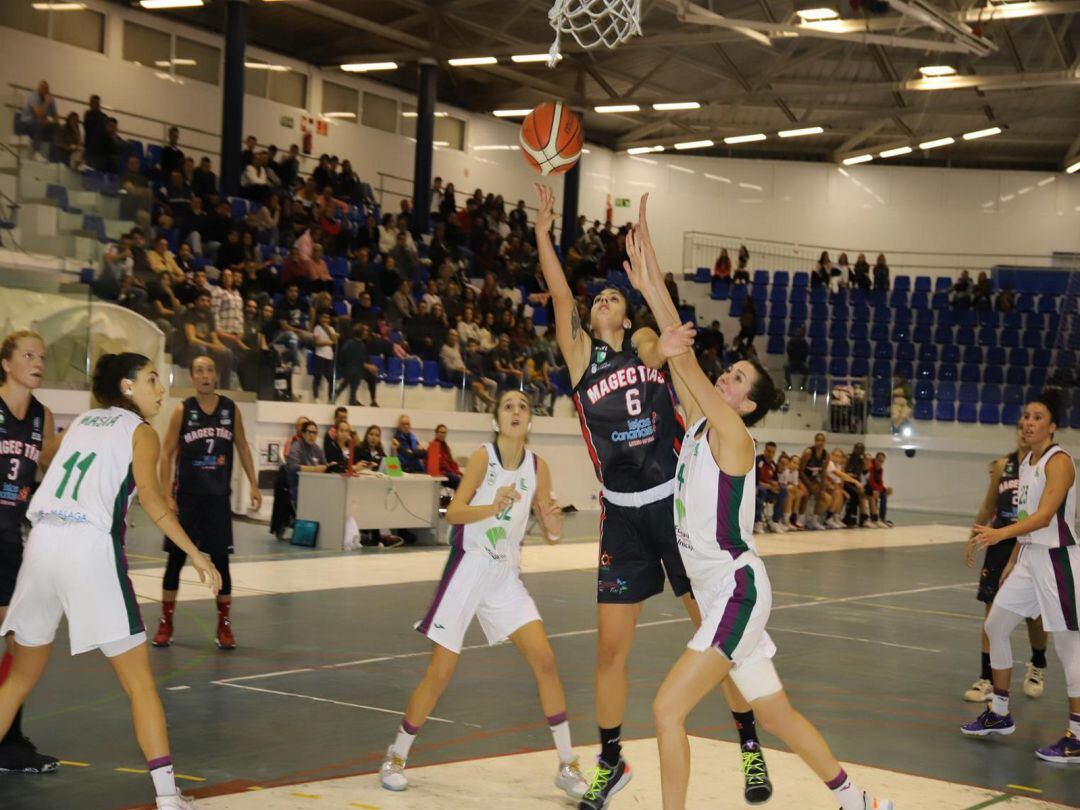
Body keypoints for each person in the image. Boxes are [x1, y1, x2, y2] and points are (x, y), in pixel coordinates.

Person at [623, 216, 893, 810]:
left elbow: (684, 361)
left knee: (667, 709)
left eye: (738, 377)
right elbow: (681, 354)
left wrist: (662, 315)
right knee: (776, 714)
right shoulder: (701, 423)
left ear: (745, 404)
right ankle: (861, 802)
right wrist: (650, 283)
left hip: (735, 590)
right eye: (730, 368)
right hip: (726, 593)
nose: (726, 373)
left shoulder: (734, 438)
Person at [533, 186, 772, 809]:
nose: (604, 298)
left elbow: (654, 345)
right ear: (589, 320)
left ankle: (749, 745)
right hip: (620, 516)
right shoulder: (581, 356)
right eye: (599, 298)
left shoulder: (640, 340)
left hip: (673, 507)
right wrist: (541, 231)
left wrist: (664, 346)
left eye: (614, 294)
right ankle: (611, 760)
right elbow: (560, 294)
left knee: (712, 632)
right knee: (611, 650)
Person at [0, 353, 221, 810]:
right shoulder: (141, 432)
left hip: (40, 543)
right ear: (126, 387)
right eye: (153, 380)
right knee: (139, 683)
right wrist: (196, 552)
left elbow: (55, 469)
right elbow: (157, 504)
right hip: (86, 549)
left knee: (19, 678)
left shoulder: (82, 421)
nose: (161, 389)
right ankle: (167, 798)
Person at [379, 390, 587, 800]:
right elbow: (453, 513)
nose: (516, 411)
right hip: (468, 566)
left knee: (545, 661)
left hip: (505, 575)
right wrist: (492, 506)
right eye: (508, 405)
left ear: (530, 421)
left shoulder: (538, 468)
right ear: (496, 419)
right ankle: (396, 755)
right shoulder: (483, 458)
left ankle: (567, 765)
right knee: (440, 672)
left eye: (523, 407)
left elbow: (550, 532)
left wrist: (552, 522)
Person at [965, 389, 1080, 763]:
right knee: (996, 625)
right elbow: (1025, 519)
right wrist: (1015, 556)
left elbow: (1045, 517)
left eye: (1037, 417)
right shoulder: (1027, 462)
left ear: (1052, 425)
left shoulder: (1059, 461)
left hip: (1057, 560)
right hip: (1030, 557)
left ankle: (1077, 736)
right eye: (1025, 416)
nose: (1027, 422)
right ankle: (999, 713)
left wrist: (999, 535)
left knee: (1069, 648)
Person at [151, 356, 261, 651]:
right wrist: (166, 494)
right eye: (199, 370)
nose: (205, 375)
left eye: (210, 370)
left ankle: (224, 625)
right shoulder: (182, 411)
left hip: (217, 500)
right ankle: (166, 622)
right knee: (175, 561)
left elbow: (242, 446)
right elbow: (166, 453)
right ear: (192, 377)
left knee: (222, 564)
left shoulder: (230, 409)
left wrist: (253, 483)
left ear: (216, 375)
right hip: (186, 500)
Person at [0, 333, 59, 773]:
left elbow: (52, 470)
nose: (37, 362)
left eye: (41, 356)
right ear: (6, 363)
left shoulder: (43, 416)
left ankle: (10, 739)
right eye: (28, 355)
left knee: (19, 641)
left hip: (12, 540)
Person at [962, 424, 1049, 704]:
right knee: (991, 613)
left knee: (1034, 616)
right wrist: (973, 535)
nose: (1026, 430)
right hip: (1000, 543)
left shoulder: (1047, 466)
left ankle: (1037, 663)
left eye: (1034, 422)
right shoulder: (1003, 466)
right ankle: (987, 677)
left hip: (1031, 543)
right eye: (1022, 425)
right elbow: (989, 505)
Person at [286, 420, 328, 504]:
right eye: (309, 432)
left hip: (314, 485)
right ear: (303, 433)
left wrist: (330, 467)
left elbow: (324, 466)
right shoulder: (296, 446)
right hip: (298, 486)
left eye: (315, 433)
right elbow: (293, 467)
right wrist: (314, 469)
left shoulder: (317, 449)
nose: (312, 435)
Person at [18, 81, 59, 162]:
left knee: (57, 127)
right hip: (26, 124)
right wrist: (46, 103)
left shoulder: (51, 99)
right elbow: (39, 115)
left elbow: (56, 117)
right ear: (39, 89)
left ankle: (54, 156)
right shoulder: (32, 97)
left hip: (41, 123)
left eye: (47, 89)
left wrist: (51, 121)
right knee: (38, 123)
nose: (45, 91)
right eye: (43, 88)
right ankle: (36, 153)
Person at [754, 442, 787, 534]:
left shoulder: (773, 465)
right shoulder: (757, 461)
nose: (770, 454)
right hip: (758, 489)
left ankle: (775, 521)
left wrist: (775, 485)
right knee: (762, 490)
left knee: (783, 489)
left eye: (773, 452)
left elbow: (774, 480)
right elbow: (754, 480)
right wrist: (768, 485)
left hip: (768, 490)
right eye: (768, 451)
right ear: (764, 451)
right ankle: (758, 521)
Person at [425, 424, 462, 490]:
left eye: (445, 433)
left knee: (464, 479)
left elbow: (451, 462)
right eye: (441, 432)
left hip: (448, 473)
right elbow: (442, 464)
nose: (443, 434)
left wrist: (458, 472)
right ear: (436, 433)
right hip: (440, 474)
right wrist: (454, 473)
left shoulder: (446, 447)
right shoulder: (433, 446)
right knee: (459, 481)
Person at [785, 326, 809, 391]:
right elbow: (789, 351)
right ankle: (789, 385)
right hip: (793, 361)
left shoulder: (804, 343)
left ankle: (802, 386)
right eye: (798, 332)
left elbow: (805, 352)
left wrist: (797, 353)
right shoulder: (792, 341)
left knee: (806, 371)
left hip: (801, 362)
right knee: (786, 369)